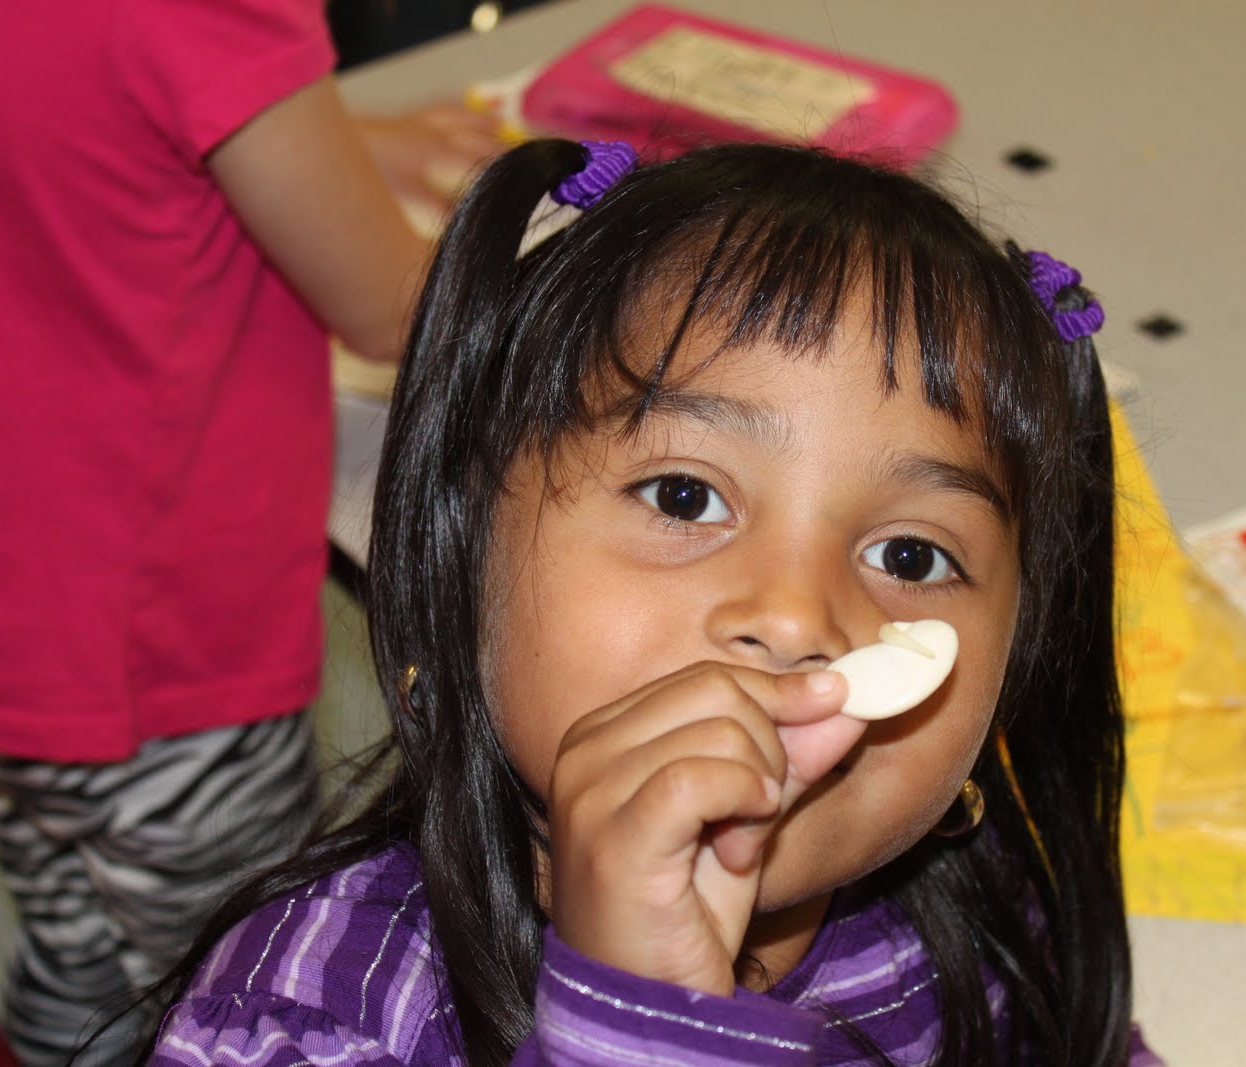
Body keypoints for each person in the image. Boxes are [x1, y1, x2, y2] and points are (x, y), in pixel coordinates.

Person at [143, 138, 1161, 1066]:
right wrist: (640, 1018)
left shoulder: (994, 938)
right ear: (464, 553)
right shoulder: (308, 1015)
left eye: (909, 551)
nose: (798, 615)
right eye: (685, 495)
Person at [0, 2, 501, 1063]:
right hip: (159, 654)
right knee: (239, 982)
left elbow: (58, 120)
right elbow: (392, 304)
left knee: (79, 946)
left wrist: (326, 137)